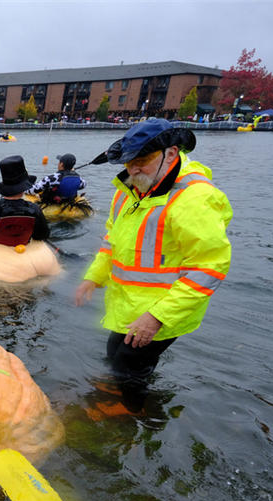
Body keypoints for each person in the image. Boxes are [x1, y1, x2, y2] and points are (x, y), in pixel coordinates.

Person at [74, 119, 232, 410]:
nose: (134, 170)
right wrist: (93, 278)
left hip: (165, 309)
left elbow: (210, 266)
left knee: (129, 365)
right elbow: (112, 239)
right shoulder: (128, 189)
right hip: (128, 302)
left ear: (171, 154)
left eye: (143, 162)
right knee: (115, 353)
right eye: (129, 162)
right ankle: (122, 402)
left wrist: (157, 317)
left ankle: (138, 417)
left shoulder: (194, 198)